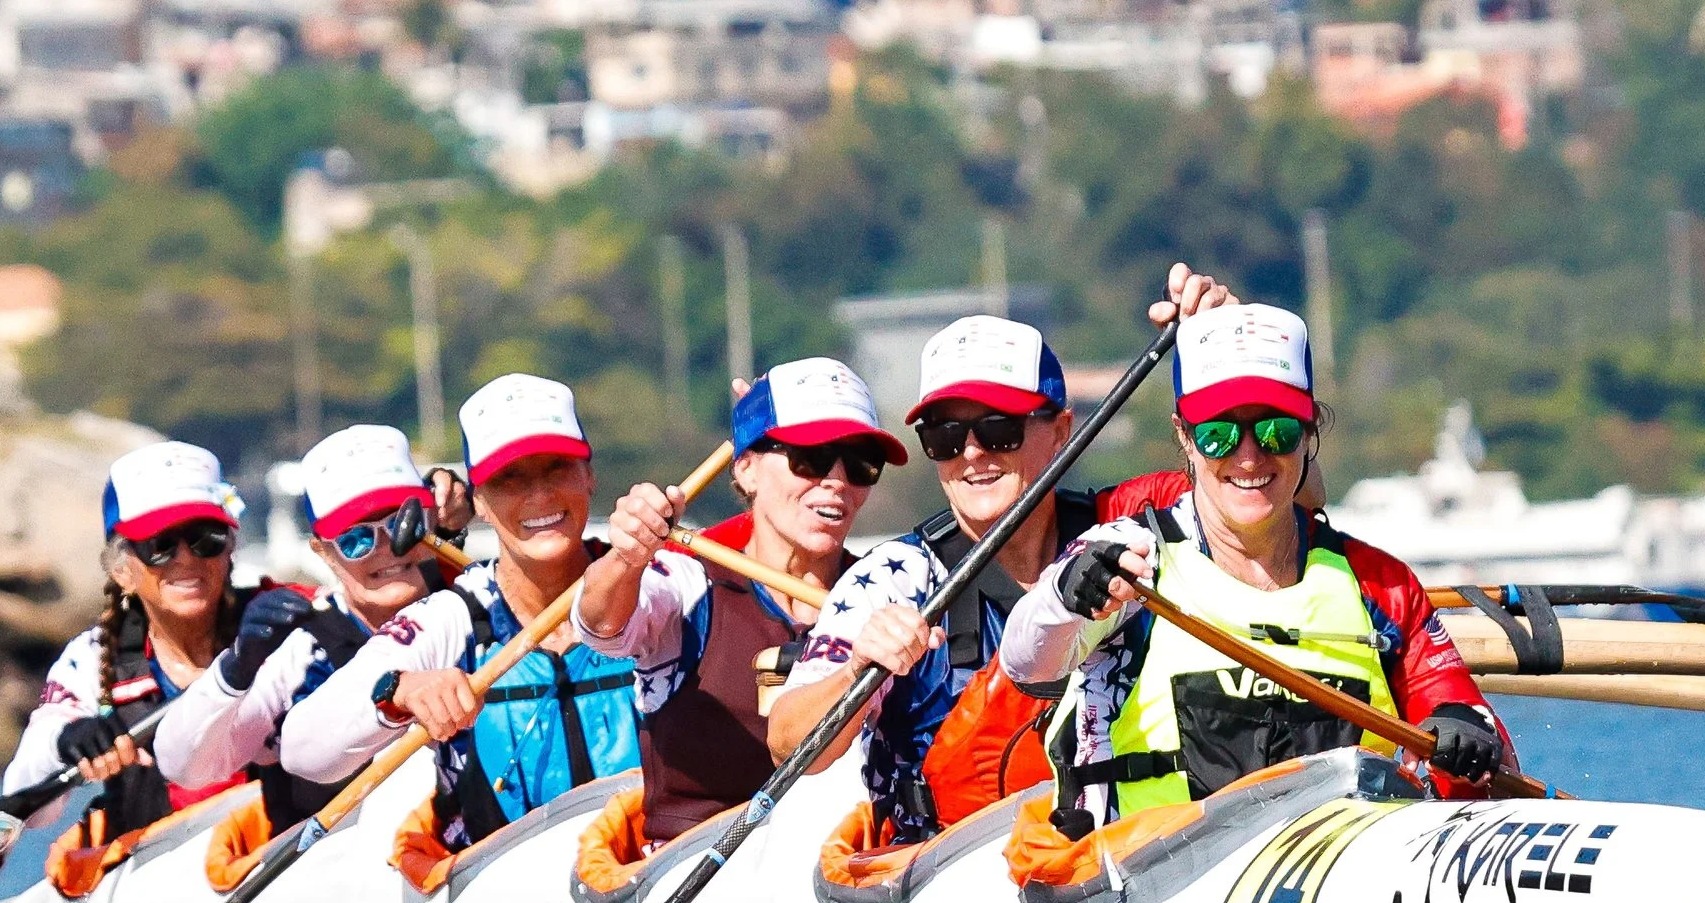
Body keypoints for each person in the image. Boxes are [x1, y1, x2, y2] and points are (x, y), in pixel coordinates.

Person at [766, 268, 1235, 844]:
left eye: (998, 429)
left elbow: (1275, 491)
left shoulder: (1134, 522)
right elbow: (790, 744)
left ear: (1061, 429)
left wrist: (1231, 359)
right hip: (944, 881)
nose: (971, 454)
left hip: (1122, 867)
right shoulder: (892, 581)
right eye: (944, 436)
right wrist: (858, 669)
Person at [997, 301, 1508, 829]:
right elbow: (1027, 663)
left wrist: (1461, 727)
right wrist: (1063, 598)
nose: (1248, 458)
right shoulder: (1129, 557)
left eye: (1275, 432)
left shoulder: (1380, 584)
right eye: (1219, 433)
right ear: (1184, 437)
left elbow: (1468, 718)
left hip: (1339, 887)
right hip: (1152, 883)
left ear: (1309, 433)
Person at [282, 373, 641, 855]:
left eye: (557, 467)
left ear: (589, 477)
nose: (539, 496)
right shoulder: (452, 616)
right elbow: (302, 752)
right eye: (509, 479)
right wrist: (399, 691)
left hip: (652, 883)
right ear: (479, 503)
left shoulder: (658, 583)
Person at [577, 357, 893, 842]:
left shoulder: (889, 585)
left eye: (860, 463)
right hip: (693, 886)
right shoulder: (687, 581)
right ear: (746, 469)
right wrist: (627, 555)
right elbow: (601, 625)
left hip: (837, 883)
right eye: (810, 456)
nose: (836, 480)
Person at [6, 441, 320, 851]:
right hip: (161, 895)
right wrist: (65, 742)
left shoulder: (294, 615)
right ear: (122, 570)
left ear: (230, 550)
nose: (186, 559)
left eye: (206, 538)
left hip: (295, 860)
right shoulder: (92, 659)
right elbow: (26, 809)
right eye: (160, 544)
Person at [153, 424, 450, 824]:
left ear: (430, 521)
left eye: (402, 524)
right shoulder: (300, 652)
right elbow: (184, 768)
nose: (387, 548)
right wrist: (237, 665)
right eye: (356, 539)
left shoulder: (473, 601)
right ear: (324, 553)